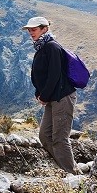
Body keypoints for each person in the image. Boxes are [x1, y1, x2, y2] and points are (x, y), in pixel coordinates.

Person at [23, 16, 78, 174]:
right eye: (29, 30)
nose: (30, 33)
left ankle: (72, 176)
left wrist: (44, 96)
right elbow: (42, 75)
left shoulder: (52, 47)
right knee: (45, 136)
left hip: (62, 97)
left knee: (60, 138)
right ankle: (67, 169)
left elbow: (54, 75)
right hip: (52, 98)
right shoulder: (42, 47)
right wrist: (39, 93)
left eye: (34, 29)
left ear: (44, 29)